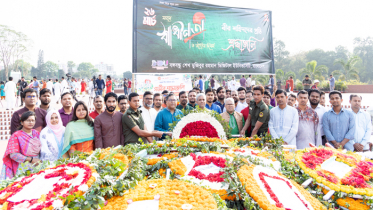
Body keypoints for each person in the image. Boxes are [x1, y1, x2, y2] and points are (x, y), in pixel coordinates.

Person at [1, 111, 42, 180]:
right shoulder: (16, 135)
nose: (31, 122)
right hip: (23, 167)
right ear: (22, 122)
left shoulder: (37, 133)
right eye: (28, 120)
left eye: (32, 120)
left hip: (37, 165)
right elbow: (13, 155)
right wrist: (31, 159)